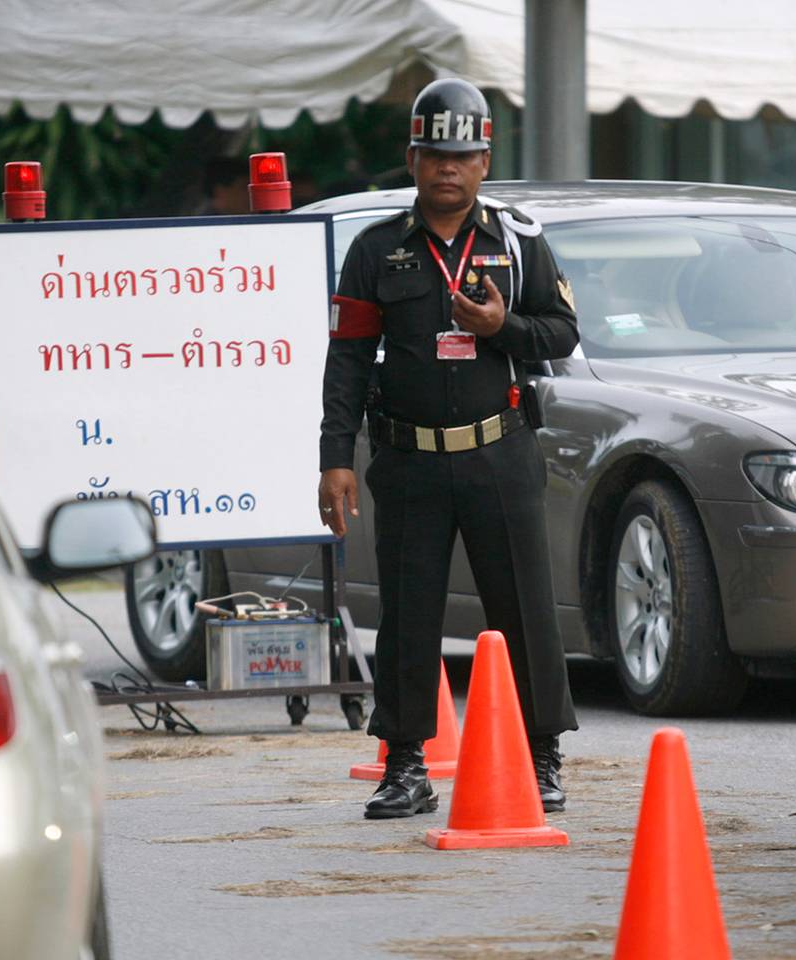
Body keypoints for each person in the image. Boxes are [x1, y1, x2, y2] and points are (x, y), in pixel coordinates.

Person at [317, 77, 580, 820]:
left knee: (524, 607)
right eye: (435, 153)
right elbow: (346, 357)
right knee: (406, 612)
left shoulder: (519, 243)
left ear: (484, 162)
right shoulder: (376, 251)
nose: (448, 168)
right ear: (412, 157)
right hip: (406, 458)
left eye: (463, 155)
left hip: (499, 450)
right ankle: (405, 765)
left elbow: (562, 334)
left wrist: (504, 331)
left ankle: (541, 757)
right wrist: (336, 454)